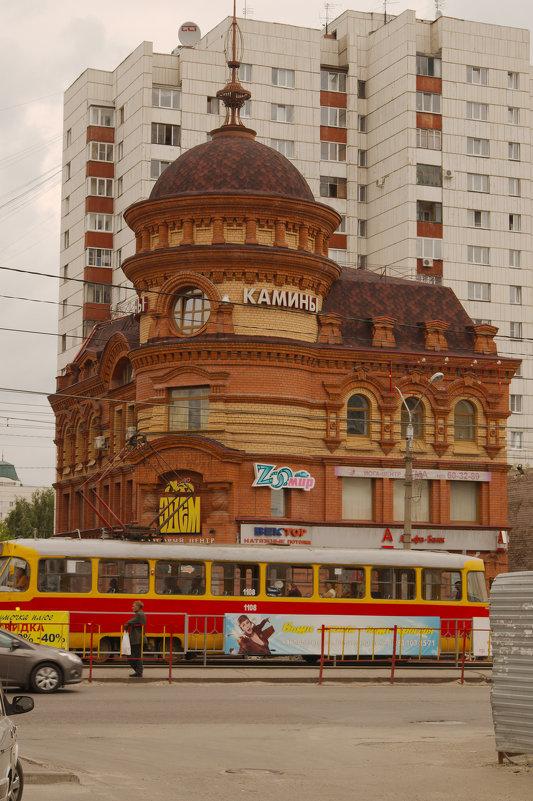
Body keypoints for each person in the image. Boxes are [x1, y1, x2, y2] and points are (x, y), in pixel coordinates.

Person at [125, 600, 146, 677]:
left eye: (134, 606)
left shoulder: (139, 614)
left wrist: (127, 624)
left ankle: (139, 671)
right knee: (137, 655)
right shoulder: (140, 613)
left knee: (130, 656)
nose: (132, 607)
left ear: (138, 607)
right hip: (139, 638)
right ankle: (139, 671)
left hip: (137, 639)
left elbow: (130, 621)